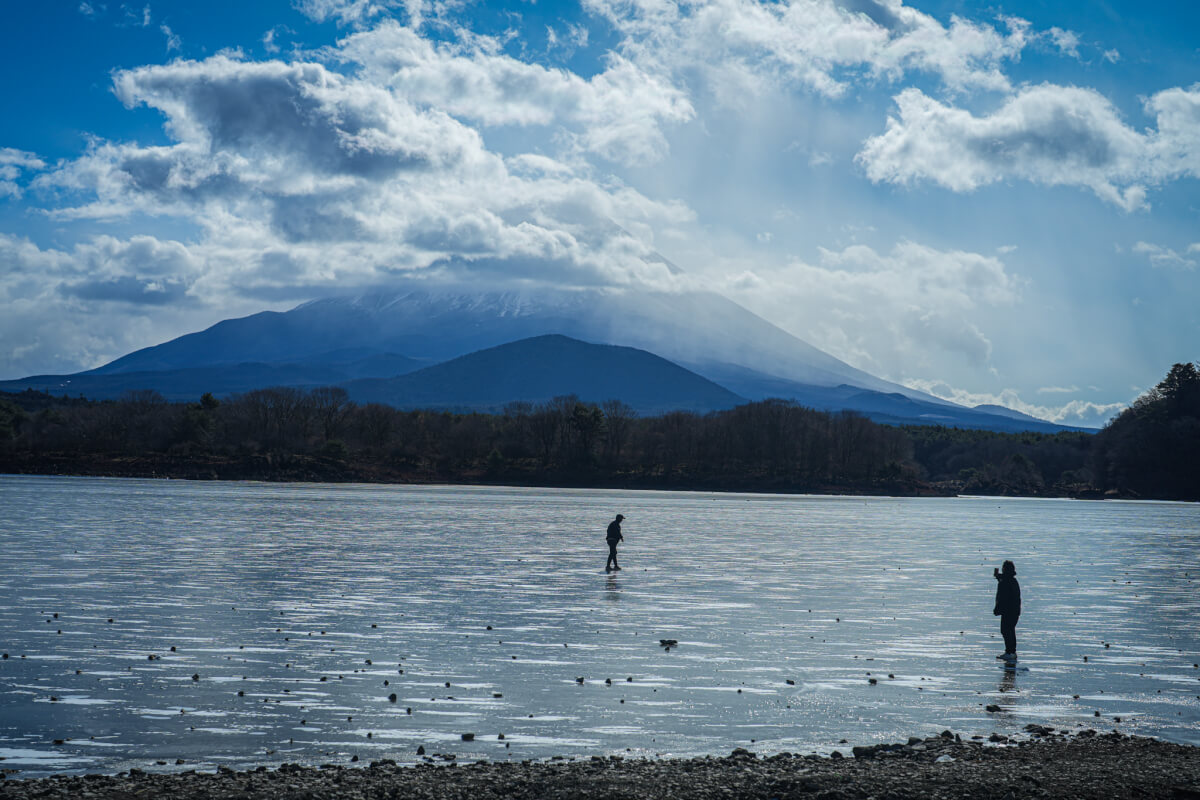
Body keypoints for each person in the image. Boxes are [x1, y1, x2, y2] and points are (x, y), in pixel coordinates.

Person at [993, 560, 1021, 662]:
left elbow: (1003, 597)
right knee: (1010, 630)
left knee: (1006, 630)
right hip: (1014, 611)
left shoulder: (1006, 582)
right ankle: (1011, 652)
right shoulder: (1012, 580)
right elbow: (1004, 580)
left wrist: (997, 609)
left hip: (1008, 611)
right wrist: (997, 576)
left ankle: (1010, 652)